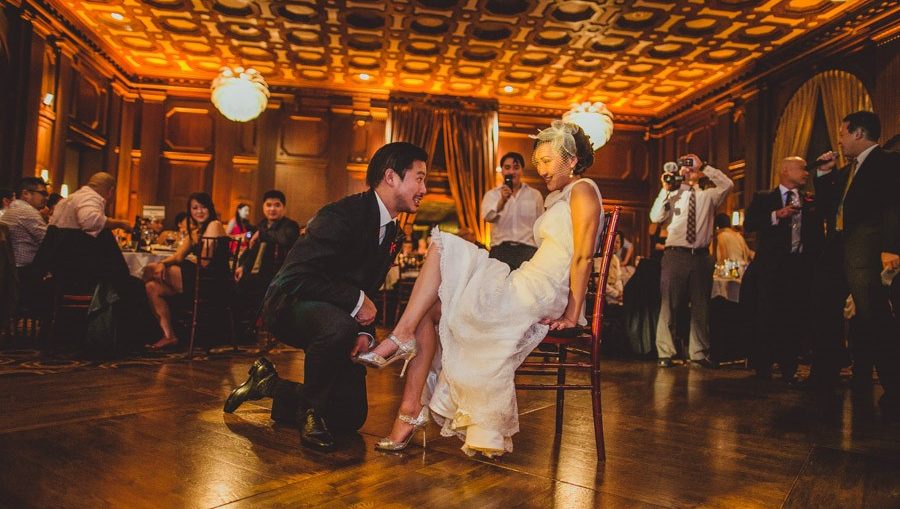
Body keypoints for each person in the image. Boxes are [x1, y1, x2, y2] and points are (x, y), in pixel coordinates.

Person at [357, 117, 610, 457]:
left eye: (547, 161)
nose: (541, 170)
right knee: (428, 311)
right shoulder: (558, 197)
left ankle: (400, 341)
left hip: (538, 292)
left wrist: (572, 315)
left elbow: (583, 256)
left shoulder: (584, 190)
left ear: (572, 160)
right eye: (538, 162)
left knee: (442, 247)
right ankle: (409, 411)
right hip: (526, 282)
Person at [222, 142, 429, 451]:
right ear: (390, 177)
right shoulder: (340, 215)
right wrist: (356, 302)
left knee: (350, 414)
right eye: (419, 178)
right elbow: (294, 276)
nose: (424, 189)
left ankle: (269, 384)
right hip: (288, 304)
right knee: (338, 326)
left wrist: (364, 332)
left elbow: (367, 291)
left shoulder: (393, 231)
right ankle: (311, 413)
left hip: (337, 314)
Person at [813, 111, 900, 418]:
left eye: (842, 133)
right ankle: (823, 378)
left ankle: (895, 389)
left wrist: (890, 247)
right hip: (837, 252)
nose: (839, 140)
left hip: (866, 252)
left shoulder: (888, 162)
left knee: (875, 318)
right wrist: (823, 174)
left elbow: (894, 206)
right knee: (824, 311)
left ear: (859, 133)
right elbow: (828, 208)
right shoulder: (846, 171)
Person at [744, 157, 824, 381]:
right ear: (786, 170)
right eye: (802, 169)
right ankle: (763, 366)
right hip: (770, 268)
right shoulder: (764, 197)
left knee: (794, 316)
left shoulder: (808, 200)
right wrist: (776, 215)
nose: (806, 173)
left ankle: (789, 367)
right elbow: (749, 224)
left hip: (798, 267)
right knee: (767, 315)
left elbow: (817, 234)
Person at [650, 154, 733, 368]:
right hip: (675, 254)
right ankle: (665, 352)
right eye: (684, 165)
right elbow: (655, 217)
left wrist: (703, 166)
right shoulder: (673, 194)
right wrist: (666, 189)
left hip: (701, 256)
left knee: (701, 306)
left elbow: (728, 184)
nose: (688, 169)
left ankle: (698, 353)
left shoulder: (709, 195)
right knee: (669, 304)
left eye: (691, 165)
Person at [142, 192, 227, 350]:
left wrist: (162, 266)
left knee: (150, 270)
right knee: (151, 287)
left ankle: (141, 320)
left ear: (210, 208)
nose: (199, 211)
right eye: (195, 208)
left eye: (203, 207)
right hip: (198, 277)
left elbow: (205, 261)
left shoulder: (214, 225)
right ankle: (169, 336)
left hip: (212, 282)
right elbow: (178, 256)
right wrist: (163, 263)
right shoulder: (195, 232)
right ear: (190, 211)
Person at [233, 189, 300, 341]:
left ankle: (247, 330)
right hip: (256, 273)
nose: (272, 209)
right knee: (233, 285)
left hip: (277, 275)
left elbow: (284, 239)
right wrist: (242, 266)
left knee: (246, 287)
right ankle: (240, 331)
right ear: (263, 207)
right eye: (268, 205)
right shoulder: (262, 225)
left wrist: (261, 235)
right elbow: (250, 251)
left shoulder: (290, 226)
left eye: (277, 205)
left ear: (284, 208)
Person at [481, 151, 545, 269]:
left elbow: (541, 226)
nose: (511, 172)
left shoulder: (535, 195)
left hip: (528, 251)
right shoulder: (492, 195)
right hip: (500, 251)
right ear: (502, 170)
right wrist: (502, 201)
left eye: (516, 168)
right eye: (507, 167)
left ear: (522, 170)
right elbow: (487, 217)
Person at [0, 177, 48, 296]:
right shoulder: (27, 211)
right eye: (42, 193)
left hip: (11, 269)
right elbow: (47, 241)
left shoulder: (14, 207)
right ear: (26, 194)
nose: (46, 198)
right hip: (24, 272)